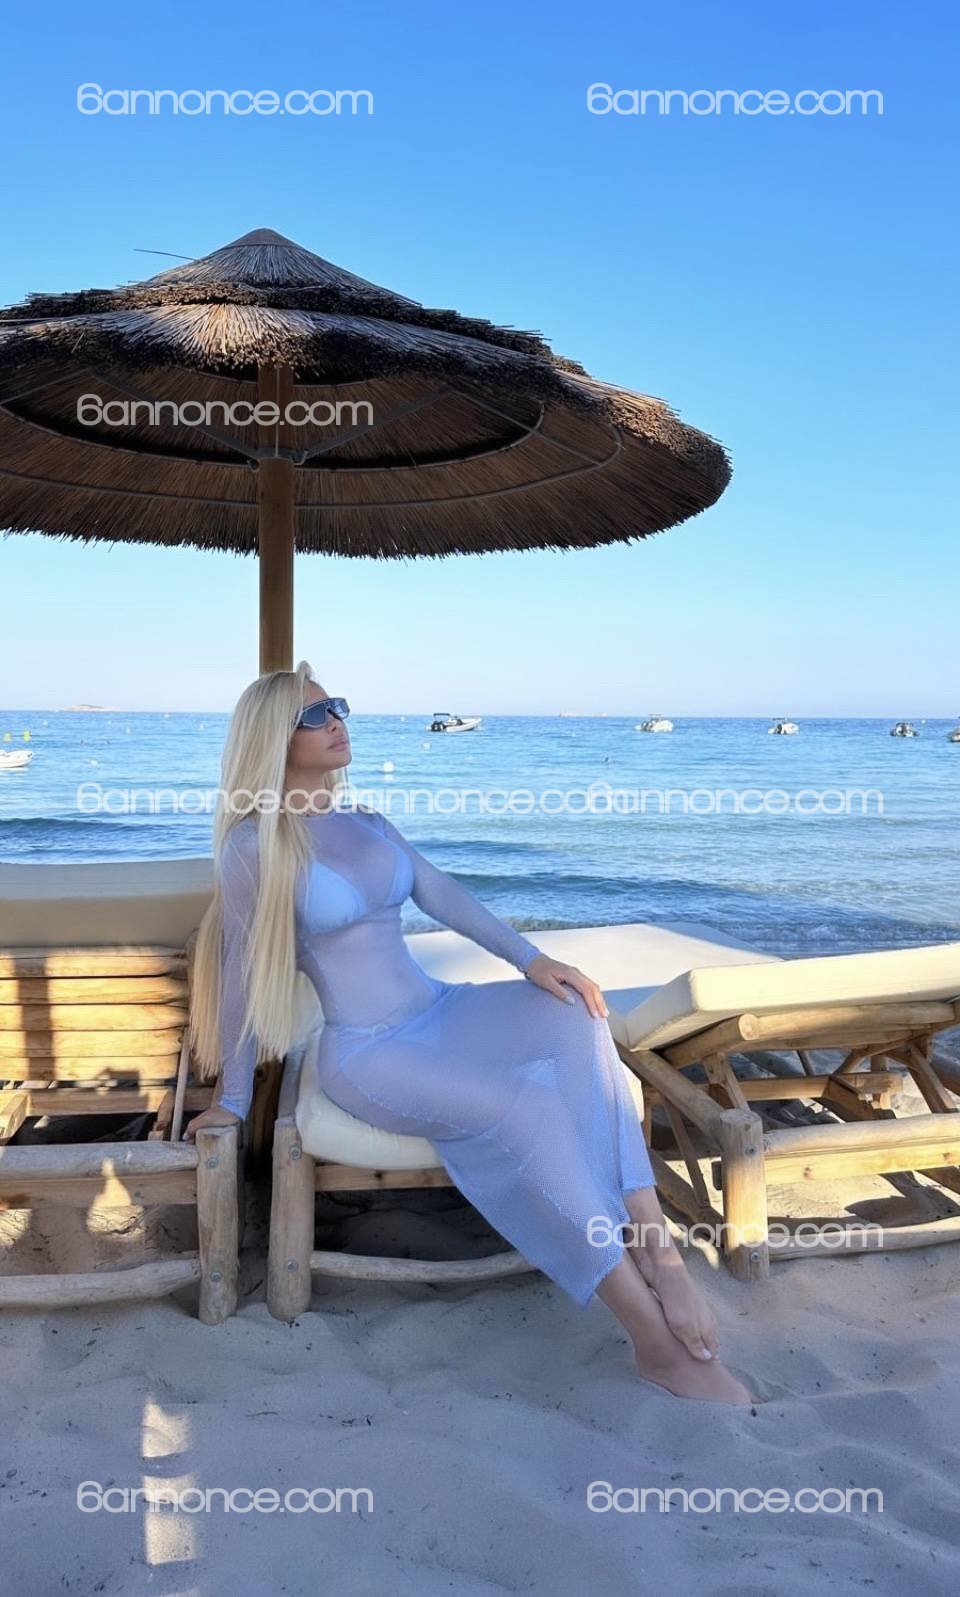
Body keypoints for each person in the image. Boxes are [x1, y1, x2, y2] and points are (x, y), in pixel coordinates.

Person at [187, 662, 754, 1405]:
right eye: (315, 715)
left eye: (338, 706)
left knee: (576, 1011)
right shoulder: (254, 848)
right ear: (273, 738)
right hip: (370, 1051)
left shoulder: (368, 822)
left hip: (440, 1009)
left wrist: (534, 960)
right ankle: (654, 1341)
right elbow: (234, 973)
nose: (338, 722)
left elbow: (444, 894)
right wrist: (230, 1100)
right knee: (527, 1109)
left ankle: (658, 1254)